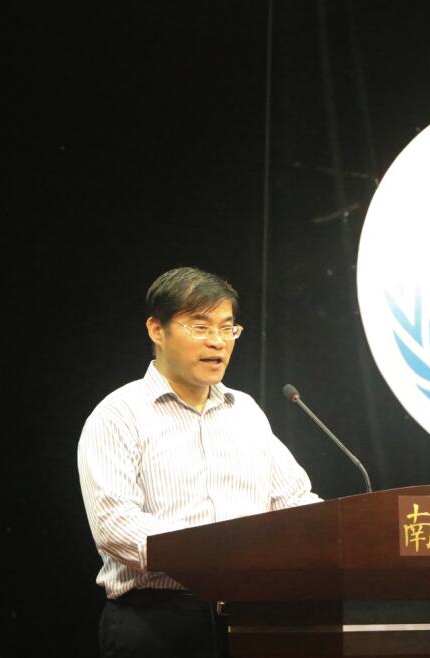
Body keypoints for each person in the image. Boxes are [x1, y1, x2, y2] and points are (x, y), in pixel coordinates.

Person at [77, 266, 321, 658]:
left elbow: (292, 502)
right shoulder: (119, 415)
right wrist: (213, 552)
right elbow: (114, 524)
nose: (218, 342)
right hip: (159, 622)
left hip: (253, 617)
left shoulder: (246, 411)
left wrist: (343, 529)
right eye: (200, 327)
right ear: (157, 330)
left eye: (227, 328)